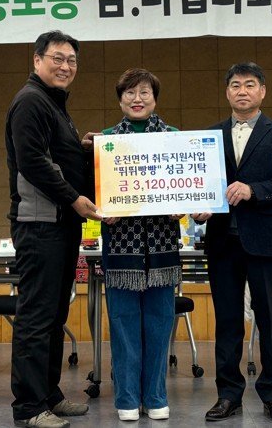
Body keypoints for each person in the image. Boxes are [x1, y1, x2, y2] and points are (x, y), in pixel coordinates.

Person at [194, 62, 272, 424]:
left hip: (265, 241)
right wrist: (199, 208)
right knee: (227, 322)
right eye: (236, 85)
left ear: (262, 91)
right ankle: (228, 395)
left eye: (250, 84)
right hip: (222, 241)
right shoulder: (209, 135)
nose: (242, 91)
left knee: (270, 320)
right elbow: (200, 183)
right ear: (227, 92)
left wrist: (253, 190)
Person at [6, 30, 100, 428]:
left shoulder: (53, 103)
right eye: (57, 58)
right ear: (37, 60)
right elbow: (33, 162)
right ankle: (29, 407)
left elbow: (55, 154)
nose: (65, 66)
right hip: (40, 225)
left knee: (55, 313)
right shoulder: (31, 101)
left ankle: (49, 394)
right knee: (36, 316)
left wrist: (81, 147)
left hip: (60, 225)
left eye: (72, 60)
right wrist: (74, 199)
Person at [93, 69, 182, 422]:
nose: (137, 99)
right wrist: (102, 212)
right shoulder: (106, 141)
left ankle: (156, 396)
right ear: (120, 100)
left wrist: (184, 206)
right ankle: (127, 398)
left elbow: (188, 186)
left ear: (155, 98)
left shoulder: (174, 138)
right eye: (129, 93)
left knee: (160, 325)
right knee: (123, 324)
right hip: (121, 249)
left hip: (162, 248)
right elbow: (92, 193)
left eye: (144, 92)